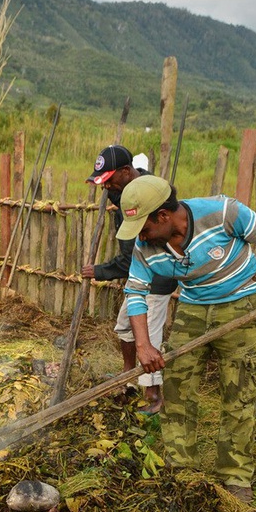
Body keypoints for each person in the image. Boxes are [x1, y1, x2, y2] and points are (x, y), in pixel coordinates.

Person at [118, 175, 256, 503]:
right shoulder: (145, 248)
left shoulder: (223, 212)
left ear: (163, 216)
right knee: (177, 385)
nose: (140, 238)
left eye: (143, 228)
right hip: (193, 306)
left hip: (241, 302)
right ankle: (182, 468)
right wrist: (144, 345)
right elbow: (134, 291)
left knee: (240, 389)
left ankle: (235, 475)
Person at [81, 145, 177, 413]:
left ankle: (153, 394)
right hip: (139, 276)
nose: (105, 187)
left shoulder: (146, 197)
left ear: (126, 171)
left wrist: (100, 271)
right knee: (125, 327)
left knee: (150, 335)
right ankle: (129, 376)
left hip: (158, 276)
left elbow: (128, 257)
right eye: (103, 181)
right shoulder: (123, 189)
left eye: (109, 179)